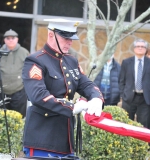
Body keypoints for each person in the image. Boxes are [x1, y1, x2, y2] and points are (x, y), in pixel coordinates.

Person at [22, 19, 104, 158]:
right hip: (42, 137)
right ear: (51, 35)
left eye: (71, 38)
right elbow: (38, 95)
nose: (70, 42)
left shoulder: (71, 61)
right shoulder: (35, 60)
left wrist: (96, 98)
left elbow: (85, 84)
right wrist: (71, 107)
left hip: (65, 139)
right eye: (65, 37)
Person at [119, 39, 150, 129]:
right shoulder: (126, 62)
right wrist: (122, 95)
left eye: (142, 47)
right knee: (126, 123)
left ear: (145, 49)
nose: (140, 48)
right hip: (129, 97)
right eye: (138, 46)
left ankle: (141, 143)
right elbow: (121, 80)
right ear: (134, 49)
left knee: (143, 124)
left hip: (145, 99)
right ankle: (127, 142)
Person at [0, 29, 29, 118]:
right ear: (4, 40)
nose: (10, 40)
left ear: (17, 39)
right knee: (0, 117)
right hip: (1, 90)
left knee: (18, 117)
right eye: (8, 38)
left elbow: (29, 70)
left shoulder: (24, 52)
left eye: (13, 38)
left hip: (18, 90)